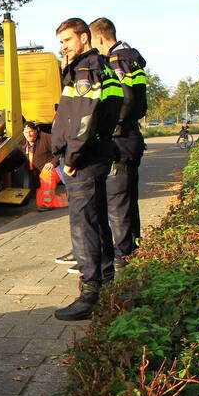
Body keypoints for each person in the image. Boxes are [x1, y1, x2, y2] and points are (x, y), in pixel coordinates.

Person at [51, 18, 123, 320]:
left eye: (67, 40)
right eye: (61, 41)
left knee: (84, 226)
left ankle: (89, 292)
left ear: (83, 37)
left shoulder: (85, 69)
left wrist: (71, 158)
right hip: (96, 153)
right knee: (96, 221)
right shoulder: (103, 65)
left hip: (83, 159)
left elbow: (83, 118)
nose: (63, 46)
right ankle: (106, 283)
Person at [89, 17, 148, 273]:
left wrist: (109, 124)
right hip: (131, 136)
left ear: (100, 38)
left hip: (121, 138)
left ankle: (124, 254)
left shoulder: (116, 60)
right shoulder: (132, 58)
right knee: (127, 197)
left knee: (117, 200)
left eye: (93, 42)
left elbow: (124, 101)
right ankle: (132, 246)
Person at [5, 120, 59, 210]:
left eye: (31, 131)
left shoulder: (46, 138)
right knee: (40, 202)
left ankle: (48, 205)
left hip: (52, 170)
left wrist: (53, 163)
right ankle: (67, 199)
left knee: (46, 175)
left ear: (36, 131)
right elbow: (16, 159)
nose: (28, 134)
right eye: (26, 132)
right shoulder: (23, 144)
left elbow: (60, 149)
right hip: (37, 174)